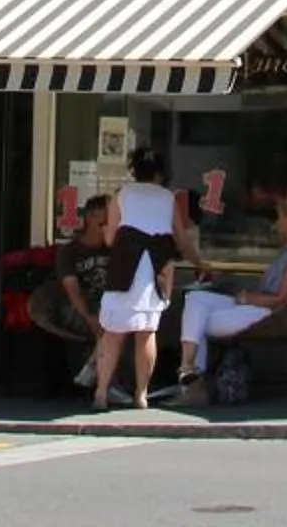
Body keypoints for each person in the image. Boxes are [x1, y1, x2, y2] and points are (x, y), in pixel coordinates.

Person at [172, 196, 287, 397]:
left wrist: (248, 299)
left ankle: (191, 386)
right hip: (255, 305)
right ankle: (188, 368)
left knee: (198, 324)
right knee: (195, 299)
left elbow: (280, 299)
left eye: (280, 218)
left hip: (267, 313)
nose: (276, 223)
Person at [91, 147, 188, 412]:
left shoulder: (121, 195)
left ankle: (101, 393)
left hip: (124, 263)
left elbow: (110, 238)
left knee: (112, 333)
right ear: (160, 173)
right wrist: (198, 260)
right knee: (146, 332)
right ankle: (141, 394)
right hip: (154, 267)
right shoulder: (168, 198)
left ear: (134, 170)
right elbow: (180, 236)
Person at [51, 195, 113, 390]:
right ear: (91, 217)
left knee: (121, 321)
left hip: (108, 308)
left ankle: (94, 374)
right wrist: (88, 316)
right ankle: (106, 384)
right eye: (107, 220)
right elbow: (72, 289)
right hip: (77, 308)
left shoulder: (115, 250)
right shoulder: (69, 251)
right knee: (111, 324)